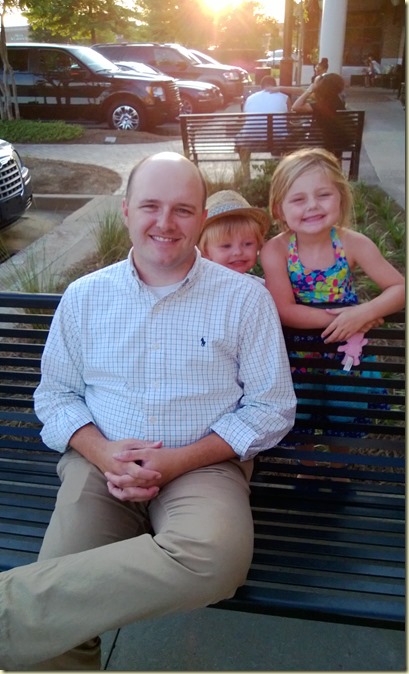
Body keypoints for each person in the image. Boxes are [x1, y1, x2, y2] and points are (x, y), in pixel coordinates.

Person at [0, 151, 296, 671]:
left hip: (203, 466)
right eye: (150, 206)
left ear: (201, 218)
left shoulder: (245, 300)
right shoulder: (85, 297)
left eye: (183, 209)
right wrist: (102, 451)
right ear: (126, 211)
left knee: (216, 558)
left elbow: (271, 407)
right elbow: (55, 395)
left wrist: (178, 461)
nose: (165, 222)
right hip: (101, 466)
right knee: (59, 609)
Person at [260, 147, 405, 473]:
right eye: (298, 199)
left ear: (340, 197)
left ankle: (341, 473)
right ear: (279, 208)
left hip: (345, 357)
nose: (312, 205)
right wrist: (343, 318)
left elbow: (400, 288)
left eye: (323, 194)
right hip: (299, 356)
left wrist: (363, 313)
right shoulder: (276, 250)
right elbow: (284, 309)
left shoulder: (353, 243)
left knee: (344, 414)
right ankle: (309, 471)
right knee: (304, 416)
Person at [198, 189, 270, 277]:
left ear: (258, 245)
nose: (238, 252)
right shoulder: (205, 283)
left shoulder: (260, 284)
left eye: (248, 244)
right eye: (226, 246)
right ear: (206, 251)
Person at [236, 75, 291, 181]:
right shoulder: (285, 98)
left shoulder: (250, 98)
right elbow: (288, 120)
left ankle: (247, 177)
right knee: (282, 135)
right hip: (277, 141)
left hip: (252, 142)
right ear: (275, 86)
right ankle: (277, 175)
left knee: (241, 140)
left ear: (261, 87)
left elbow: (245, 119)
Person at [291, 73, 348, 158]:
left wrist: (309, 90)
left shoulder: (321, 105)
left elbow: (295, 107)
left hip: (322, 145)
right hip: (339, 144)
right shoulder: (340, 103)